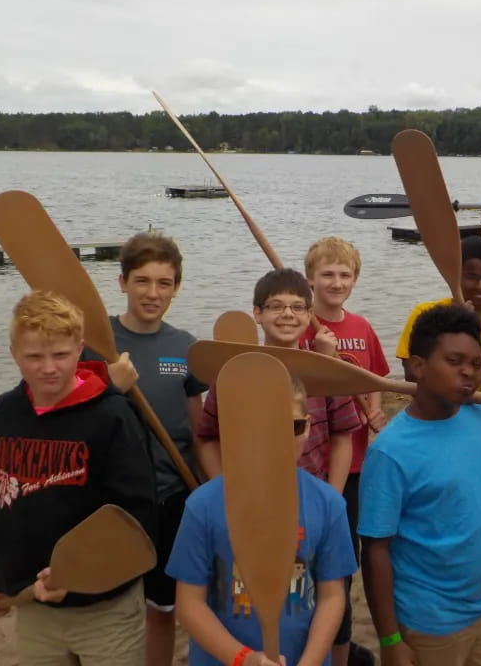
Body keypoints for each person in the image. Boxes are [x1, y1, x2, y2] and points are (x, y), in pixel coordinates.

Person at [0, 290, 156, 665]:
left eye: (61, 355)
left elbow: (136, 512)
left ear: (80, 349)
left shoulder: (113, 416)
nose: (48, 367)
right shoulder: (1, 415)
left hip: (105, 609)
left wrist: (78, 570)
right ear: (14, 354)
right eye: (34, 357)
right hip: (33, 606)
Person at [358, 305, 481, 666]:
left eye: (474, 363)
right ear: (419, 367)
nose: (468, 373)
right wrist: (390, 638)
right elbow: (375, 550)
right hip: (430, 620)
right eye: (454, 361)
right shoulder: (391, 452)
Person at [167, 375, 357, 666]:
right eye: (265, 425)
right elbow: (190, 603)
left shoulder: (328, 505)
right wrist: (243, 658)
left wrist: (310, 661)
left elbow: (332, 597)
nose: (278, 437)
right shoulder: (203, 506)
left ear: (307, 426)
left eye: (291, 426)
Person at [90, 231, 209, 666]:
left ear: (176, 286)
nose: (153, 293)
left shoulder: (185, 347)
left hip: (173, 496)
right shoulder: (95, 342)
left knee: (164, 607)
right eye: (142, 281)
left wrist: (209, 489)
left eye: (164, 283)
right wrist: (107, 386)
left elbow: (198, 429)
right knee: (111, 608)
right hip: (110, 500)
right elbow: (68, 422)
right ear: (122, 283)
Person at [395, 235, 481, 509]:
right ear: (456, 275)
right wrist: (460, 327)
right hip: (437, 428)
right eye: (471, 277)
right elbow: (413, 376)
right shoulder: (426, 316)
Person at [301, 237, 390, 666]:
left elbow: (372, 379)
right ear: (310, 279)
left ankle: (338, 646)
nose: (336, 283)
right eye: (327, 274)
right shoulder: (302, 327)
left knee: (340, 560)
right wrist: (321, 356)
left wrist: (374, 410)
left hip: (354, 466)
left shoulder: (361, 328)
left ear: (355, 280)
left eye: (344, 275)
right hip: (311, 463)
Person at [196, 267, 360, 488]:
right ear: (257, 313)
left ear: (309, 314)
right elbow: (208, 439)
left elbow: (342, 438)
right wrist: (224, 493)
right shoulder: (231, 374)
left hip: (310, 491)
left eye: (298, 307)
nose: (288, 314)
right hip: (247, 494)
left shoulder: (325, 370)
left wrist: (332, 496)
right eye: (276, 306)